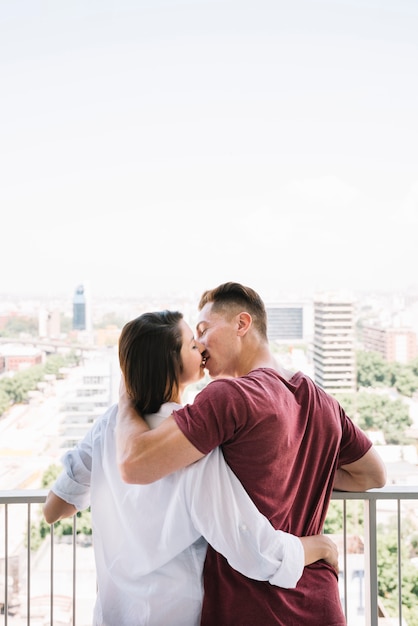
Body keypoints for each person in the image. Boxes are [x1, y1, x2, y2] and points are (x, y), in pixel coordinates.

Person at [44, 310, 337, 626]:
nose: (201, 346)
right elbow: (253, 548)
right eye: (190, 343)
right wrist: (320, 546)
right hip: (176, 614)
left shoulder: (107, 429)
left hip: (114, 613)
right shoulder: (190, 447)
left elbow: (54, 509)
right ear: (169, 362)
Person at [117, 283, 387, 626]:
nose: (199, 344)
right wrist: (299, 467)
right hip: (321, 602)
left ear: (242, 324)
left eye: (204, 330)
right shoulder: (324, 402)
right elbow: (373, 474)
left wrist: (126, 397)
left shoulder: (230, 396)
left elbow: (134, 464)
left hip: (250, 607)